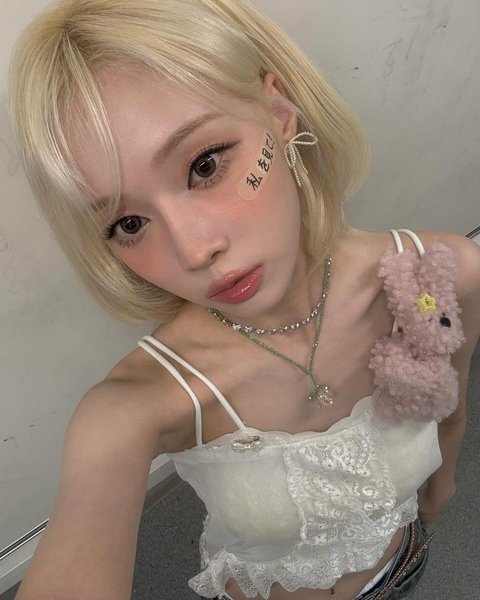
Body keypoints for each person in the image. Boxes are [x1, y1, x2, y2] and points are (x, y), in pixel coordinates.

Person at [8, 1, 480, 599]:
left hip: (406, 562)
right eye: (128, 223)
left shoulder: (441, 276)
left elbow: (451, 409)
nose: (194, 250)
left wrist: (441, 492)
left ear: (279, 113)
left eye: (204, 165)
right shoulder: (134, 410)